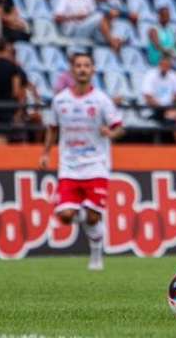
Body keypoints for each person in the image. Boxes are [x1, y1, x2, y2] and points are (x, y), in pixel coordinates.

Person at [39, 52, 124, 271]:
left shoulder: (101, 100)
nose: (82, 69)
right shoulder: (60, 100)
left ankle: (96, 254)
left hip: (96, 164)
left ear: (93, 70)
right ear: (72, 70)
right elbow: (52, 128)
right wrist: (46, 153)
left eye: (87, 65)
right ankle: (93, 229)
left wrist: (110, 133)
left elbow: (119, 127)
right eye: (78, 65)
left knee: (93, 217)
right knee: (65, 216)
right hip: (69, 166)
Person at [53, 0, 122, 51]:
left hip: (87, 26)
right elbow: (57, 18)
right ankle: (113, 42)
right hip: (72, 29)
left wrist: (86, 17)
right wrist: (75, 17)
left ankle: (113, 41)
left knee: (104, 28)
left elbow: (93, 15)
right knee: (100, 16)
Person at [141, 54, 176, 146]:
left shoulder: (173, 76)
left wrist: (175, 104)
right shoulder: (150, 75)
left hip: (170, 109)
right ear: (159, 64)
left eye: (167, 65)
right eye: (163, 64)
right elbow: (148, 97)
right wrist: (164, 109)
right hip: (154, 110)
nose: (165, 67)